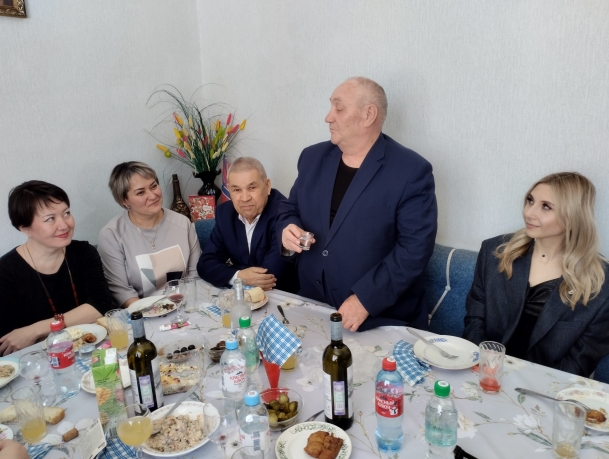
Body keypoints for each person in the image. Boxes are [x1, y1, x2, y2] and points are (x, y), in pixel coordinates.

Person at [277, 77, 438, 332]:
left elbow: (413, 250)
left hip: (379, 317)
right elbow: (289, 208)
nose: (328, 117)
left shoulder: (411, 171)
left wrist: (365, 300)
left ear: (368, 115)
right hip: (313, 306)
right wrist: (287, 228)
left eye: (338, 108)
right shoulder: (312, 157)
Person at [463, 172, 609, 377]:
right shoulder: (494, 251)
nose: (529, 213)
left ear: (573, 216)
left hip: (546, 388)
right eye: (530, 201)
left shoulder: (601, 282)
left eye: (546, 206)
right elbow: (475, 319)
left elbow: (580, 361)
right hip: (483, 374)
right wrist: (485, 369)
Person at [0, 181, 113, 355]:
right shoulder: (6, 271)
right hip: (39, 360)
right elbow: (12, 340)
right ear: (25, 228)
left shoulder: (84, 252)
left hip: (93, 349)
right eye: (50, 219)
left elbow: (100, 305)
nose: (64, 225)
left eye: (66, 213)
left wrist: (35, 330)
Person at [98, 162, 201, 308]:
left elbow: (194, 276)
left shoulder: (182, 223)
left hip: (184, 306)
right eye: (141, 192)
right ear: (124, 201)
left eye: (153, 186)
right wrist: (154, 312)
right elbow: (121, 292)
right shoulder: (111, 235)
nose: (153, 195)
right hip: (142, 312)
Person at [197, 157, 297, 291]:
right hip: (242, 297)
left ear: (267, 186)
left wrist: (229, 271)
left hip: (283, 297)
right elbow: (205, 264)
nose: (245, 198)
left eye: (252, 188)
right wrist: (239, 276)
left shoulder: (285, 215)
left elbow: (269, 275)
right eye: (236, 190)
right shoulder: (225, 214)